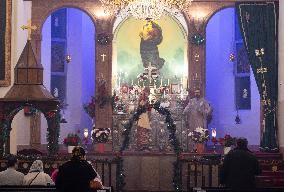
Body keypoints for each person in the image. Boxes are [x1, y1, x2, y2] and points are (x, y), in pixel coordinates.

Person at [136, 87, 152, 151]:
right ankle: (141, 146)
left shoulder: (146, 98)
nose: (147, 94)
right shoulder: (142, 97)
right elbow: (141, 105)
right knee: (142, 130)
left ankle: (145, 145)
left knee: (145, 130)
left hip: (145, 115)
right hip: (142, 116)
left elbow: (148, 107)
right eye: (147, 92)